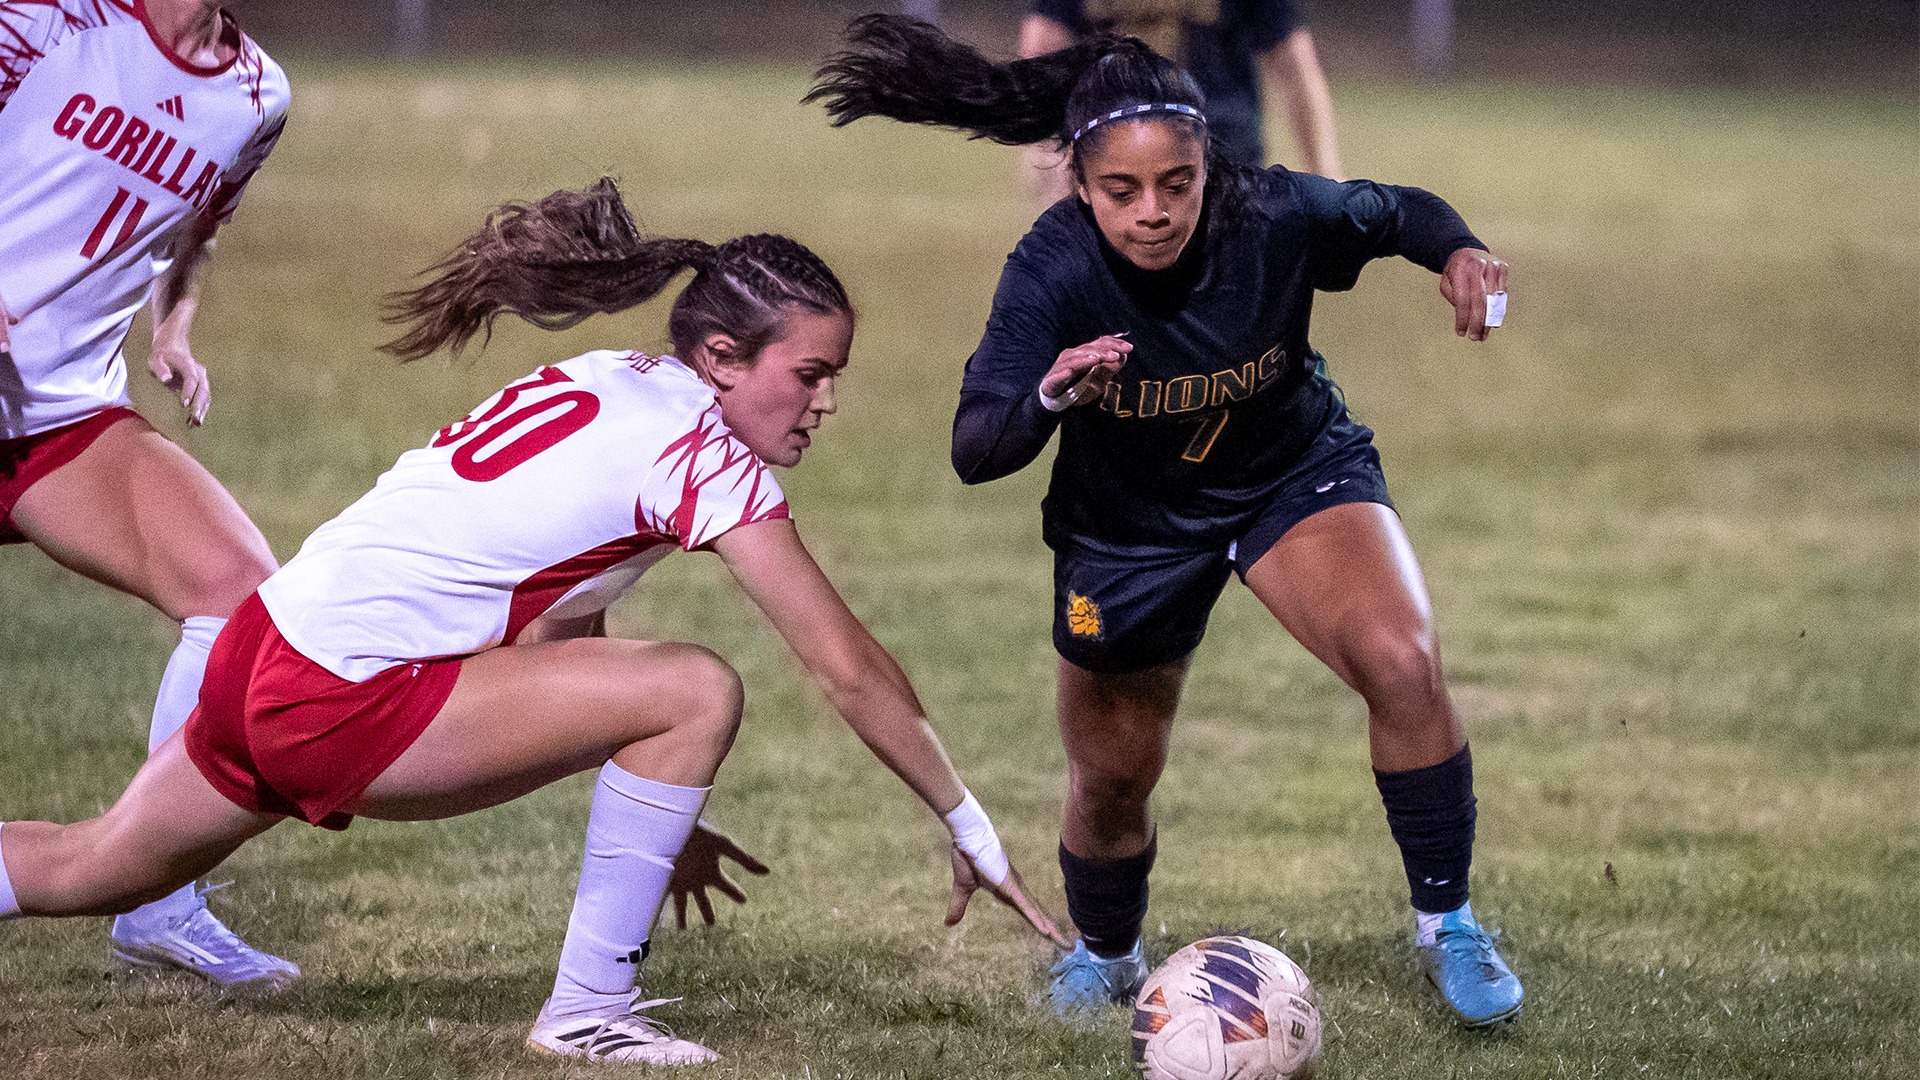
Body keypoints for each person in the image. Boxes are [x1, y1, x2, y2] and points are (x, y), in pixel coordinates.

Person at [0, 178, 1063, 1065]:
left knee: (89, 866)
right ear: (726, 359)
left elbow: (558, 626)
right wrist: (969, 827)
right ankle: (587, 1013)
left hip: (263, 650)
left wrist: (663, 811)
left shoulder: (609, 380)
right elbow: (846, 667)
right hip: (334, 695)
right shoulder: (697, 452)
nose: (825, 402)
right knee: (698, 686)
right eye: (811, 374)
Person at [808, 15, 1524, 1027]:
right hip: (1130, 528)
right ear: (1078, 184)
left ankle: (1447, 922)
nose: (1154, 213)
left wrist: (1460, 253)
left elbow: (1396, 210)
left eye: (1176, 184)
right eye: (1122, 191)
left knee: (1402, 662)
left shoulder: (1268, 211)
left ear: (1206, 165)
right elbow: (976, 448)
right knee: (1111, 775)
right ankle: (1105, 952)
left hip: (1291, 475)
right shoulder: (1051, 271)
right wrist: (1053, 394)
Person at [0, 0, 298, 990]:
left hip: (57, 419)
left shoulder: (257, 97)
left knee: (240, 596)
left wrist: (172, 330)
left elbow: (197, 231)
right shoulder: (50, 20)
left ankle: (158, 897)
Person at [1017, 0, 1342, 201]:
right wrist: (1327, 179)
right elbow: (1295, 66)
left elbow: (1039, 53)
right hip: (1216, 158)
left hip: (1131, 167)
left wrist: (1050, 166)